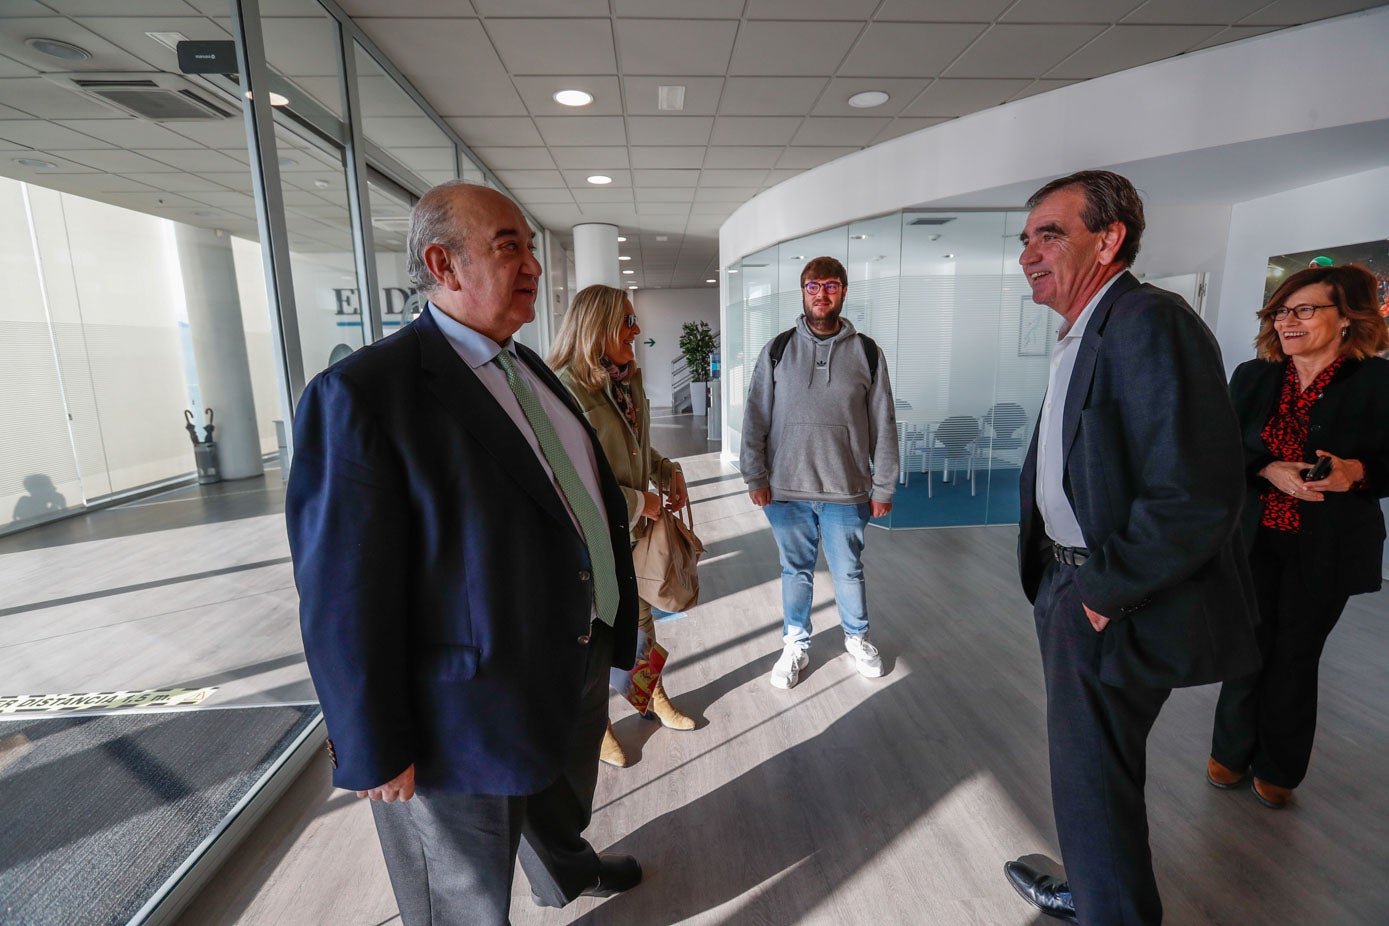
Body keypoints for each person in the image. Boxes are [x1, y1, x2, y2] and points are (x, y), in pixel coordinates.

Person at [285, 182, 642, 925]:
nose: (533, 267)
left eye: (530, 247)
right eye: (509, 246)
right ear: (442, 264)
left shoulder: (528, 368)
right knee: (461, 899)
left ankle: (564, 874)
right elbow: (339, 591)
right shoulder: (362, 394)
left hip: (570, 649)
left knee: (556, 801)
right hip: (459, 704)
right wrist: (371, 743)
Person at [1002, 170, 1260, 926]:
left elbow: (1197, 494)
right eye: (1025, 239)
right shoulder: (1088, 328)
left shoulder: (1148, 320)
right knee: (1090, 771)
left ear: (1108, 239)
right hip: (1073, 580)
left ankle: (1107, 907)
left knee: (1089, 775)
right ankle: (1093, 887)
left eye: (1050, 234)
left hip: (1108, 593)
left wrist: (1095, 596)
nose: (1028, 254)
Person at [1207, 264, 1389, 809]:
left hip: (1327, 545)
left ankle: (1279, 764)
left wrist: (1355, 471)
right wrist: (1267, 468)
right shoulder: (1253, 375)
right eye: (1282, 311)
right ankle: (1230, 751)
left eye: (1304, 309)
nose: (1288, 321)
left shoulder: (1381, 384)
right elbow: (1218, 449)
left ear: (1347, 319)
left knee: (1296, 654)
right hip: (1253, 539)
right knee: (1247, 647)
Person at [548, 283, 698, 767]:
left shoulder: (627, 378)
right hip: (591, 538)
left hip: (630, 533)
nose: (637, 331)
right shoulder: (564, 389)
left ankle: (651, 696)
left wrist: (666, 469)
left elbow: (636, 447)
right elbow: (569, 477)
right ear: (599, 327)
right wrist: (639, 503)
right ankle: (599, 725)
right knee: (594, 632)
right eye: (628, 322)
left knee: (640, 620)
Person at [740, 256, 898, 690]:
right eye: (813, 286)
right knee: (795, 570)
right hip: (786, 490)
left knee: (848, 571)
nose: (822, 294)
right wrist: (754, 476)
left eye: (830, 285)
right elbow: (755, 416)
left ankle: (857, 637)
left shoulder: (867, 352)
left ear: (844, 291)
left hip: (847, 490)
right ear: (803, 291)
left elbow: (884, 424)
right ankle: (795, 643)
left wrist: (884, 485)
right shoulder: (777, 350)